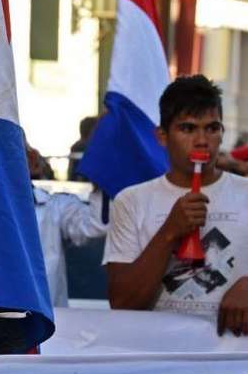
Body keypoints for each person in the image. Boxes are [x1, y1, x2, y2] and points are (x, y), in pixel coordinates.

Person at [104, 75, 248, 336]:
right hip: (160, 360)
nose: (202, 140)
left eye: (212, 128)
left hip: (234, 362)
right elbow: (123, 303)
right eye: (188, 129)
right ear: (162, 136)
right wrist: (170, 231)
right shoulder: (132, 201)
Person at [26, 143, 107, 307]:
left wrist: (102, 174)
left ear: (32, 159)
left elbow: (95, 226)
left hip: (50, 325)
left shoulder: (55, 207)